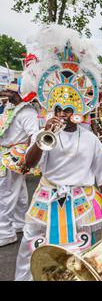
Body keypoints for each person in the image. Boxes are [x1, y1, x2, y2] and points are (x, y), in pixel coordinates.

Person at [14, 26, 102, 280]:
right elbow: (28, 165)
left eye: (68, 109)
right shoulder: (45, 134)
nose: (63, 114)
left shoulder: (91, 139)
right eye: (58, 108)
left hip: (84, 202)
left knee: (83, 257)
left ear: (79, 109)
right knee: (33, 251)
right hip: (47, 199)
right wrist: (43, 136)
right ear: (52, 107)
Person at [0, 83, 39, 247]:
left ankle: (4, 232)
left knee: (5, 193)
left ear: (17, 94)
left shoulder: (28, 112)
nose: (4, 93)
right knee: (19, 192)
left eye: (8, 91)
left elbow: (34, 135)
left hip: (14, 156)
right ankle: (19, 223)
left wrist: (27, 160)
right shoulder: (10, 108)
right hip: (6, 152)